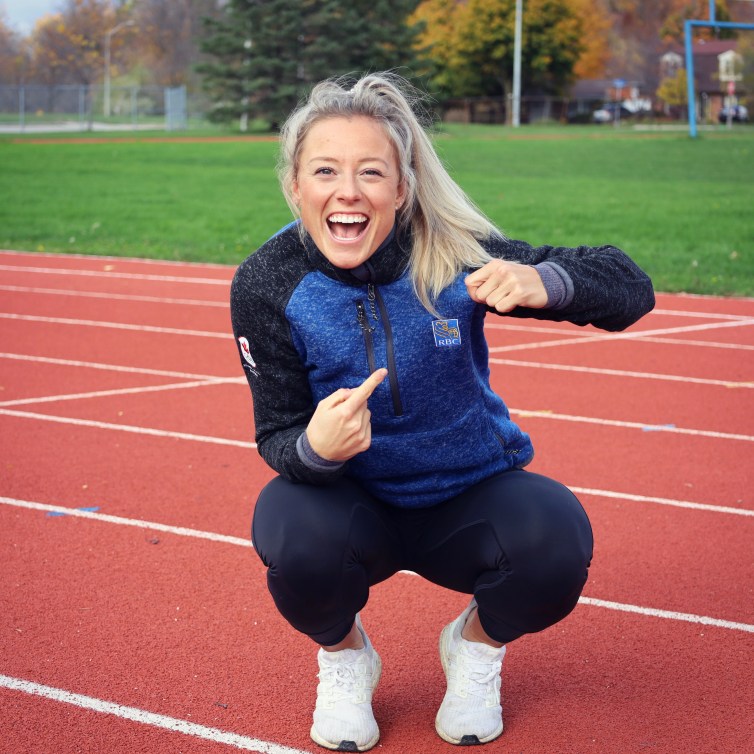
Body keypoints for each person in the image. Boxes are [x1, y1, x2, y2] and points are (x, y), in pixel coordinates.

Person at [230, 72, 654, 752]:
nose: (348, 191)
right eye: (325, 171)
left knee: (556, 541)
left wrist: (544, 282)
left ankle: (474, 651)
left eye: (372, 172)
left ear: (401, 189)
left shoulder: (454, 251)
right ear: (295, 187)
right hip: (350, 504)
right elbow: (276, 433)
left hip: (468, 494)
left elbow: (632, 287)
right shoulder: (266, 282)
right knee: (291, 538)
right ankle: (345, 660)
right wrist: (316, 447)